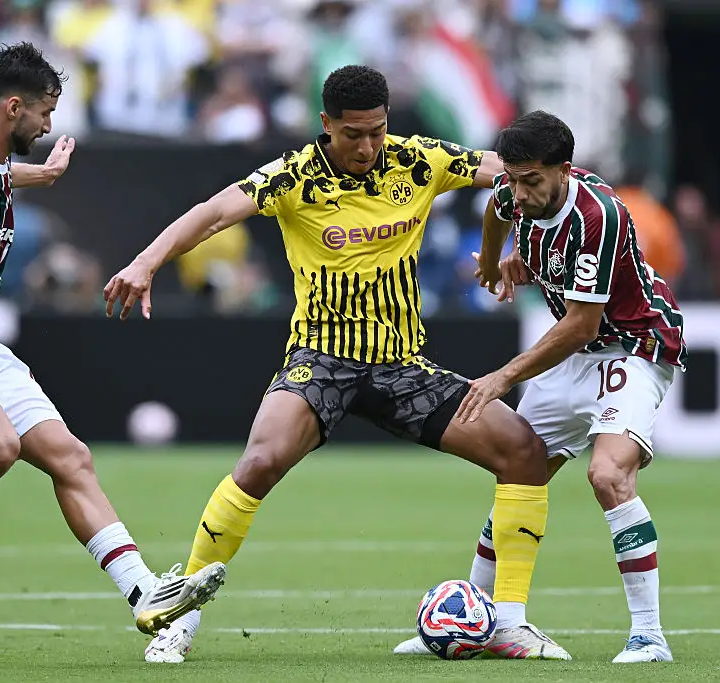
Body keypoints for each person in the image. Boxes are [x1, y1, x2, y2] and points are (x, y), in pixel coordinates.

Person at [104, 65, 571, 664]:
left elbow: (508, 171)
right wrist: (146, 261)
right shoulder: (294, 176)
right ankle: (182, 613)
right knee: (261, 460)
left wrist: (561, 195)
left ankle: (508, 621)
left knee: (525, 453)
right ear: (325, 125)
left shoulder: (419, 160)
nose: (368, 147)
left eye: (377, 132)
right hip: (320, 360)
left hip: (403, 367)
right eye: (354, 134)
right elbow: (214, 212)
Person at [0, 42, 225, 639]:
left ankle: (146, 596)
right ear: (13, 107)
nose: (49, 126)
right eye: (45, 113)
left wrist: (28, 175)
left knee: (71, 457)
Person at [393, 110, 686, 663]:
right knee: (518, 469)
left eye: (533, 181)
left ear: (564, 170)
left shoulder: (600, 216)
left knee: (607, 474)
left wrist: (505, 375)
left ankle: (650, 637)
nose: (520, 192)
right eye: (514, 177)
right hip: (578, 355)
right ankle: (480, 619)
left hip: (633, 347)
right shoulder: (511, 192)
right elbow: (496, 211)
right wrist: (496, 262)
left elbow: (581, 323)